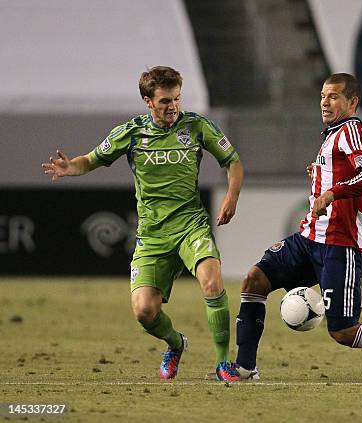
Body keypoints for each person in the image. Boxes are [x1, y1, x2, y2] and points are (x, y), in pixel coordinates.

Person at [232, 73, 362, 380]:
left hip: (339, 244)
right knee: (254, 281)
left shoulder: (352, 132)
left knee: (343, 331)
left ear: (352, 102)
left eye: (333, 96)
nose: (325, 102)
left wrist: (331, 192)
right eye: (322, 96)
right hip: (309, 238)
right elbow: (345, 173)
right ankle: (245, 367)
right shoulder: (333, 134)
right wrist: (320, 175)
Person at [42, 66, 244, 382]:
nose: (173, 106)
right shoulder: (132, 133)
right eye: (165, 100)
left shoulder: (196, 126)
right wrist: (71, 167)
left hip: (191, 225)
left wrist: (231, 196)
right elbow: (92, 159)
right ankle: (176, 344)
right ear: (148, 101)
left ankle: (222, 363)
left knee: (212, 282)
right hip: (152, 235)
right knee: (144, 312)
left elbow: (232, 161)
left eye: (177, 98)